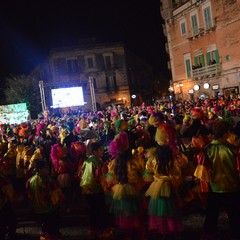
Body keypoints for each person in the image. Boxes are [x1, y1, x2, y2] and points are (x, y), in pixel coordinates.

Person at [194, 120, 240, 240]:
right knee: (235, 216)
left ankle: (208, 235)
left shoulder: (206, 150)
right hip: (233, 187)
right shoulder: (234, 150)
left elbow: (202, 173)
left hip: (214, 188)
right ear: (226, 133)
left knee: (211, 216)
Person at [144, 121, 188, 239]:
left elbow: (148, 169)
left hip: (157, 186)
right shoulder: (175, 156)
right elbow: (183, 165)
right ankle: (171, 228)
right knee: (172, 210)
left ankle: (162, 229)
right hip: (171, 185)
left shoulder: (153, 156)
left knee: (160, 210)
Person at [107, 131, 146, 240]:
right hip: (135, 189)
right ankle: (139, 235)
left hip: (120, 190)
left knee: (125, 215)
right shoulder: (134, 160)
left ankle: (127, 235)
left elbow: (111, 178)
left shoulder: (114, 162)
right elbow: (142, 170)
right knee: (137, 213)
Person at [80, 141, 112, 240]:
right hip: (94, 190)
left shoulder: (91, 160)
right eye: (100, 150)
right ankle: (100, 232)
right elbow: (96, 177)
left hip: (90, 189)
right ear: (94, 151)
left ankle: (95, 231)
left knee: (94, 211)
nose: (102, 151)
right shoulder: (94, 161)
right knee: (98, 211)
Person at [26, 159, 64, 240]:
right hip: (49, 207)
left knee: (45, 227)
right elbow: (52, 194)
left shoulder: (30, 180)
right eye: (45, 168)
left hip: (38, 208)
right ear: (39, 169)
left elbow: (29, 195)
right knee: (52, 227)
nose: (48, 169)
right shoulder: (46, 180)